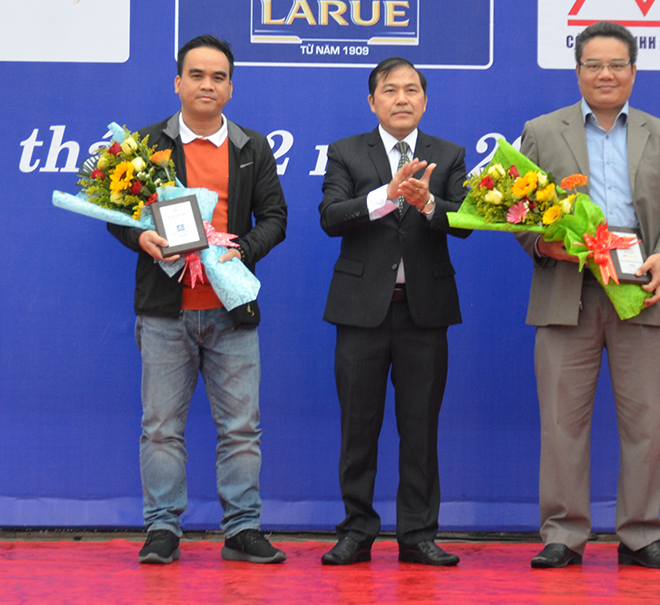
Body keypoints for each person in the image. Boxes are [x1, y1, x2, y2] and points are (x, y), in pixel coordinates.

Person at [516, 22, 660, 569]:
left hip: (642, 291)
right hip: (565, 288)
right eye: (593, 65)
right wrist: (546, 247)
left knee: (646, 423)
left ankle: (642, 533)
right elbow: (514, 211)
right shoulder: (542, 130)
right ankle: (563, 534)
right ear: (578, 72)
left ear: (633, 72)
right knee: (561, 421)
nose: (605, 74)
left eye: (616, 64)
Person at [107, 35, 288, 564]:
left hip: (232, 310)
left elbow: (276, 218)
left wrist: (241, 249)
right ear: (178, 82)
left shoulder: (252, 147)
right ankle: (163, 529)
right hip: (165, 313)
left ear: (230, 86)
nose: (207, 85)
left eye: (218, 77)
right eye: (197, 75)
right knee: (161, 428)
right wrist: (139, 237)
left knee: (241, 429)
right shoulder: (146, 147)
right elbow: (119, 215)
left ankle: (242, 530)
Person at [318, 57, 470, 567]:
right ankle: (356, 532)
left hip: (423, 315)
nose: (401, 98)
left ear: (425, 100)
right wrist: (386, 196)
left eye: (411, 90)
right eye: (390, 90)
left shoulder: (447, 155)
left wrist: (430, 205)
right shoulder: (345, 153)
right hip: (361, 314)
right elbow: (331, 218)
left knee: (420, 429)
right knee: (357, 428)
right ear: (372, 101)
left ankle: (418, 535)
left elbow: (467, 222)